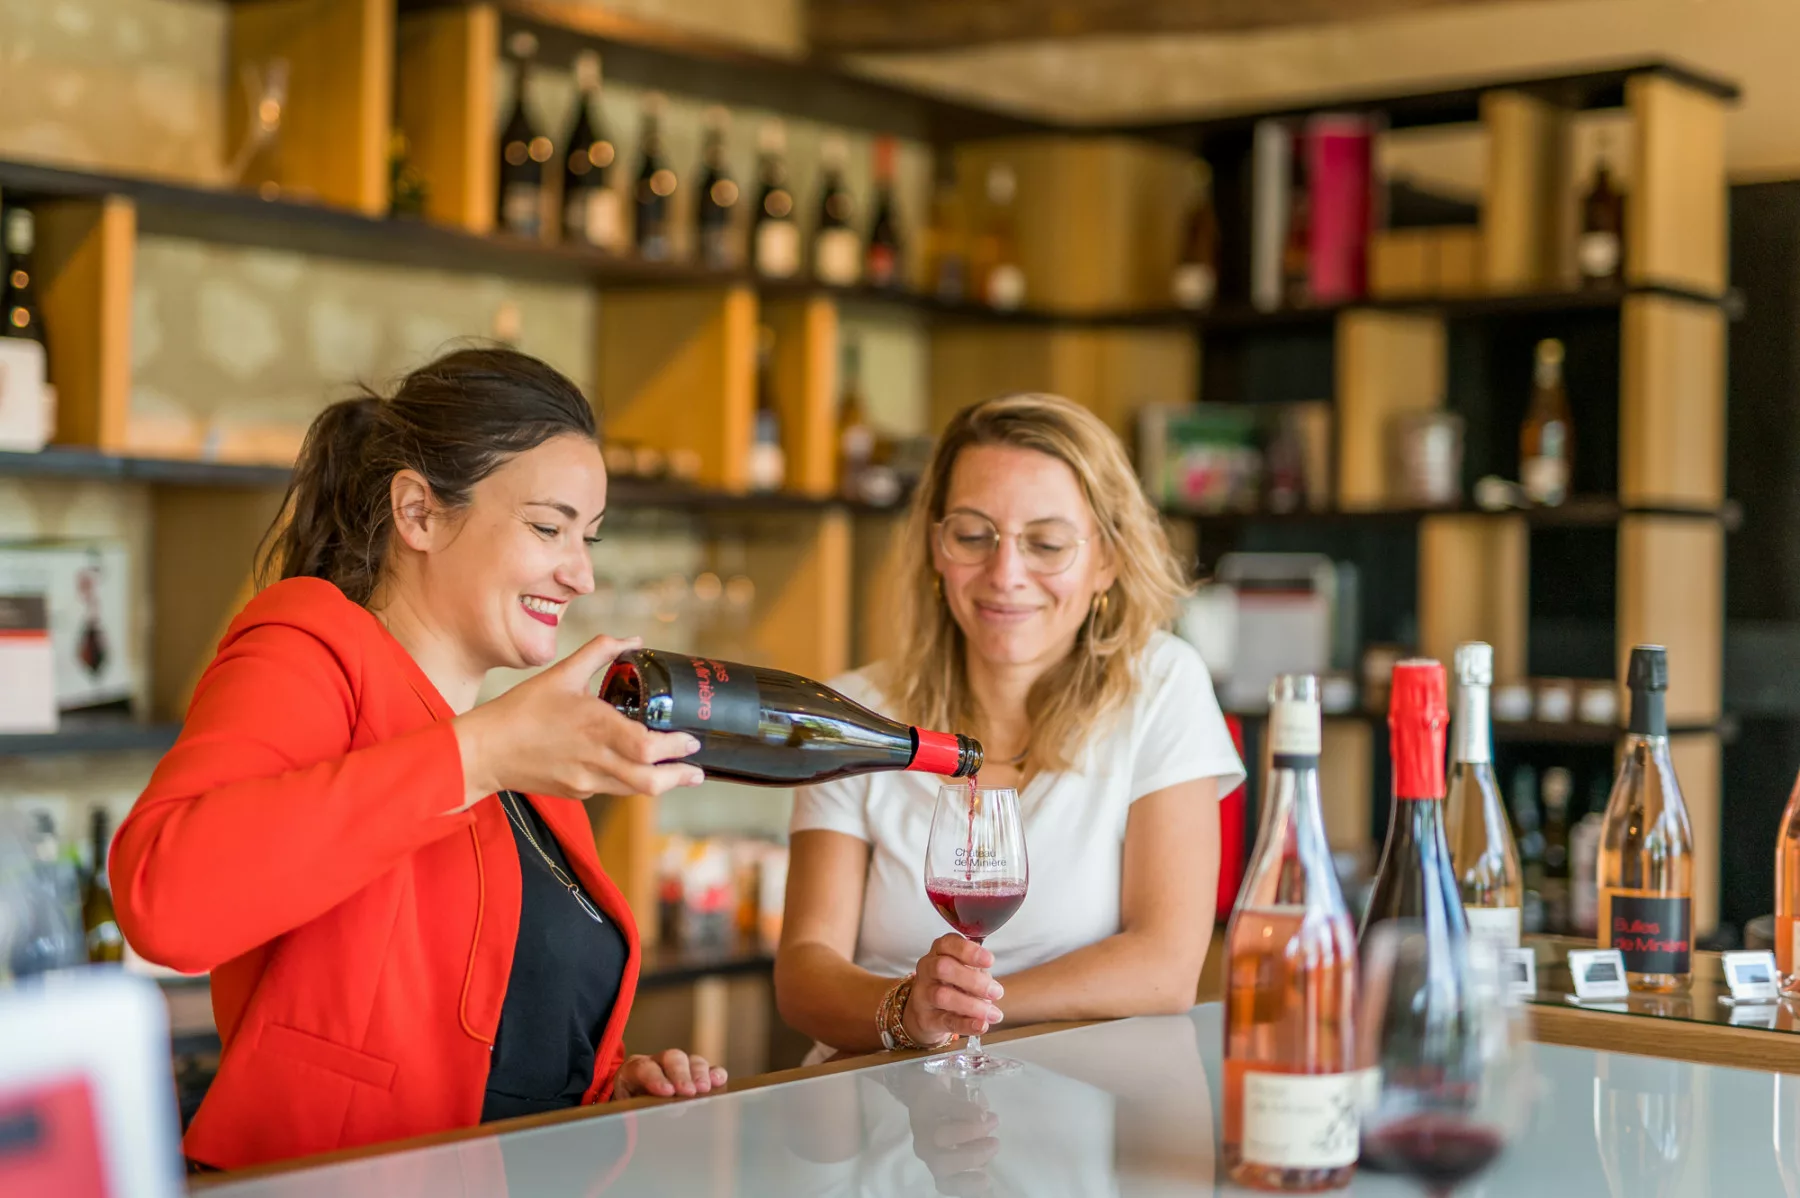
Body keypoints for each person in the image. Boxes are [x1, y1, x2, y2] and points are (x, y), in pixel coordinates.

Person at [111, 348, 725, 1172]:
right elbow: (167, 903)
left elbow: (494, 1039)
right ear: (419, 514)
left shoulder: (514, 752)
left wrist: (609, 1090)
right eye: (548, 528)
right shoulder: (313, 644)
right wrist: (480, 754)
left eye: (589, 536)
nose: (581, 573)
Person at [775, 392, 1243, 1057]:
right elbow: (804, 972)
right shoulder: (856, 711)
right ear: (936, 546)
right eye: (973, 536)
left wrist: (955, 1012)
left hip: (1081, 1101)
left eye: (1046, 544)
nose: (1005, 574)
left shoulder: (1160, 686)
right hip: (869, 1099)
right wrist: (906, 1013)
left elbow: (1164, 968)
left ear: (1107, 559)